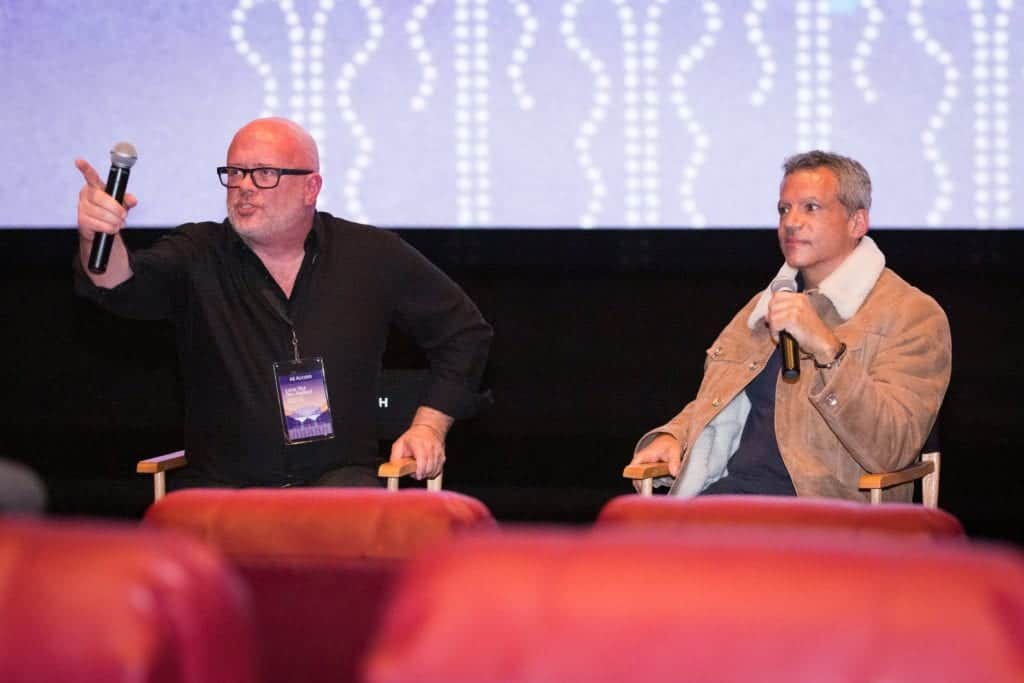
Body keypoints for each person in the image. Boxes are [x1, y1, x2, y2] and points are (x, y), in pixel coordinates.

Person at [74, 118, 492, 489]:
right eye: (235, 172)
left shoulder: (370, 255)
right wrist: (98, 238)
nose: (243, 188)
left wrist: (429, 426)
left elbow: (465, 333)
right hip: (223, 486)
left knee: (349, 521)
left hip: (340, 480)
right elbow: (122, 285)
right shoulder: (198, 252)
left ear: (311, 187)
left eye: (265, 174)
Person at [628, 151, 951, 502]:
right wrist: (674, 436)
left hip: (827, 515)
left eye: (811, 208)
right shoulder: (764, 305)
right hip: (730, 501)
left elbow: (893, 447)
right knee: (626, 542)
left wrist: (829, 351)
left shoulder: (912, 314)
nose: (791, 222)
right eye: (784, 209)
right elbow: (720, 399)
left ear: (857, 223)